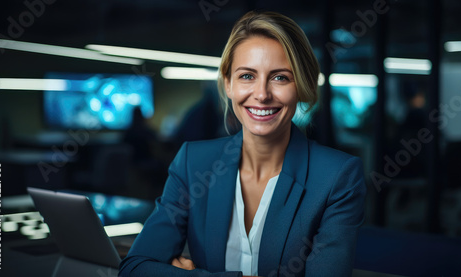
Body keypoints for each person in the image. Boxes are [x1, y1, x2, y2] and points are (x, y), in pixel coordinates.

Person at [120, 11, 366, 277]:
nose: (261, 94)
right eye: (247, 76)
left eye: (280, 77)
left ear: (302, 86)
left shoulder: (337, 177)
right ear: (228, 84)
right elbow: (135, 268)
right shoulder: (193, 163)